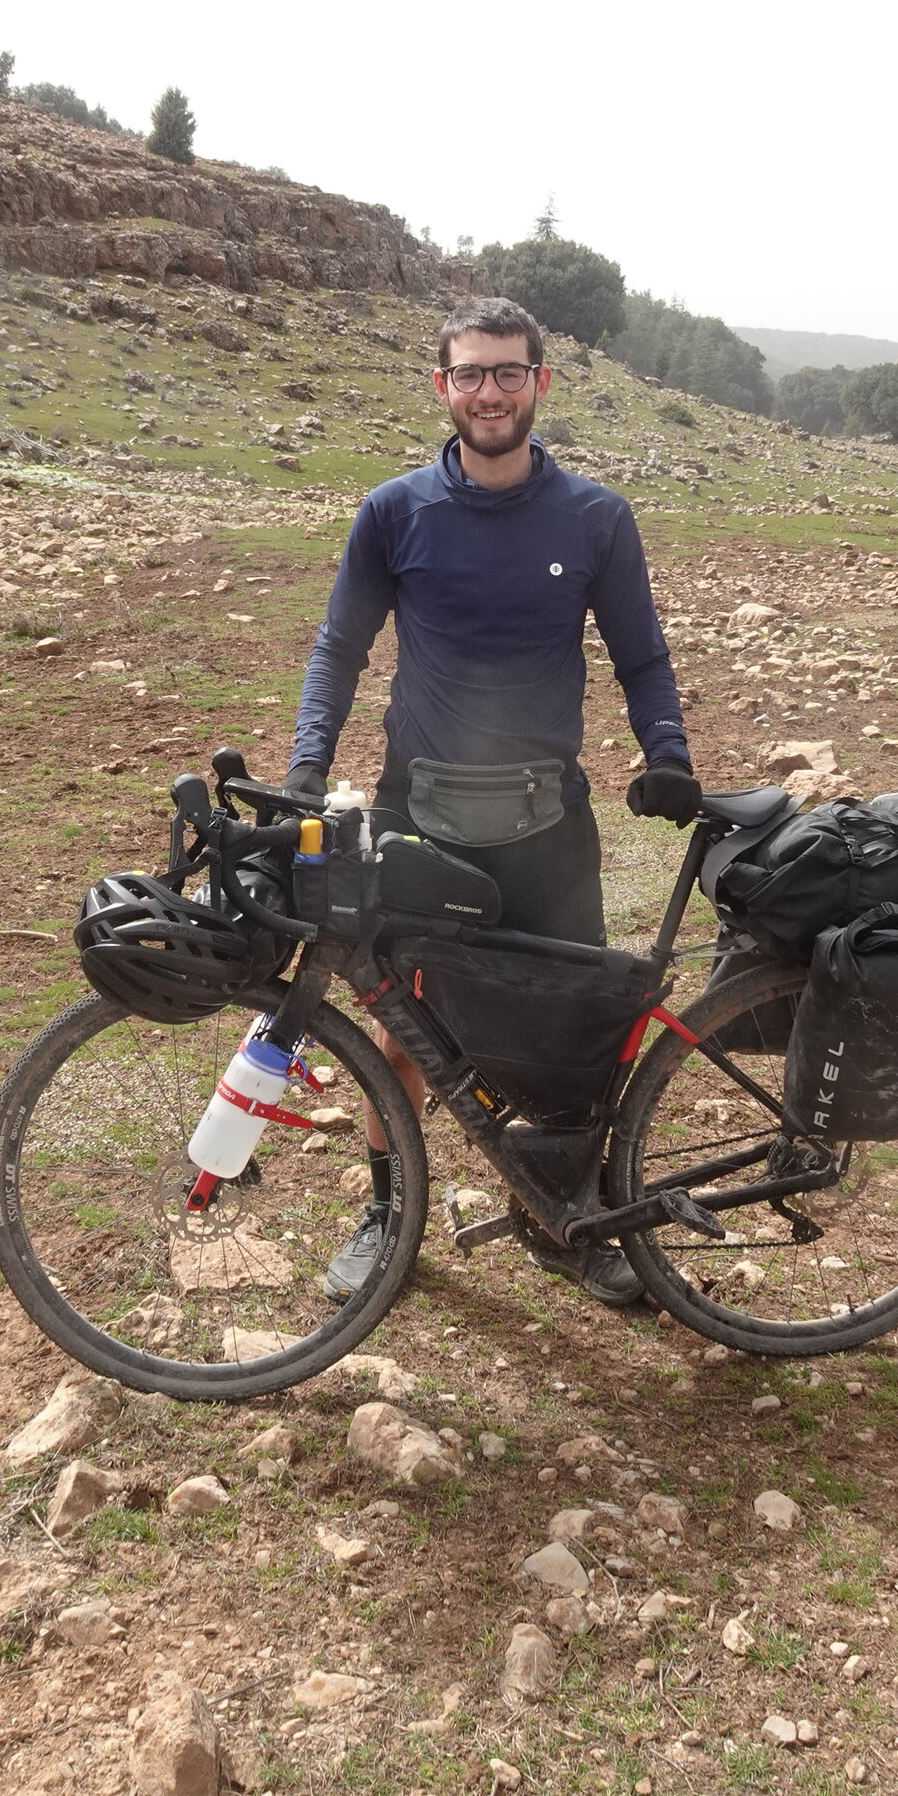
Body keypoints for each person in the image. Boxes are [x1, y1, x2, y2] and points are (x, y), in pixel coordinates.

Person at [285, 294, 702, 1305]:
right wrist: (306, 764)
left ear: (540, 385)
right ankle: (389, 1214)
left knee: (577, 1033)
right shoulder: (396, 512)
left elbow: (640, 653)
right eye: (469, 373)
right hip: (419, 813)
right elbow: (341, 646)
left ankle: (561, 1214)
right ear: (442, 387)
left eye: (508, 372)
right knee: (406, 1031)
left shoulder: (596, 518)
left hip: (549, 818)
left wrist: (668, 749)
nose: (489, 391)